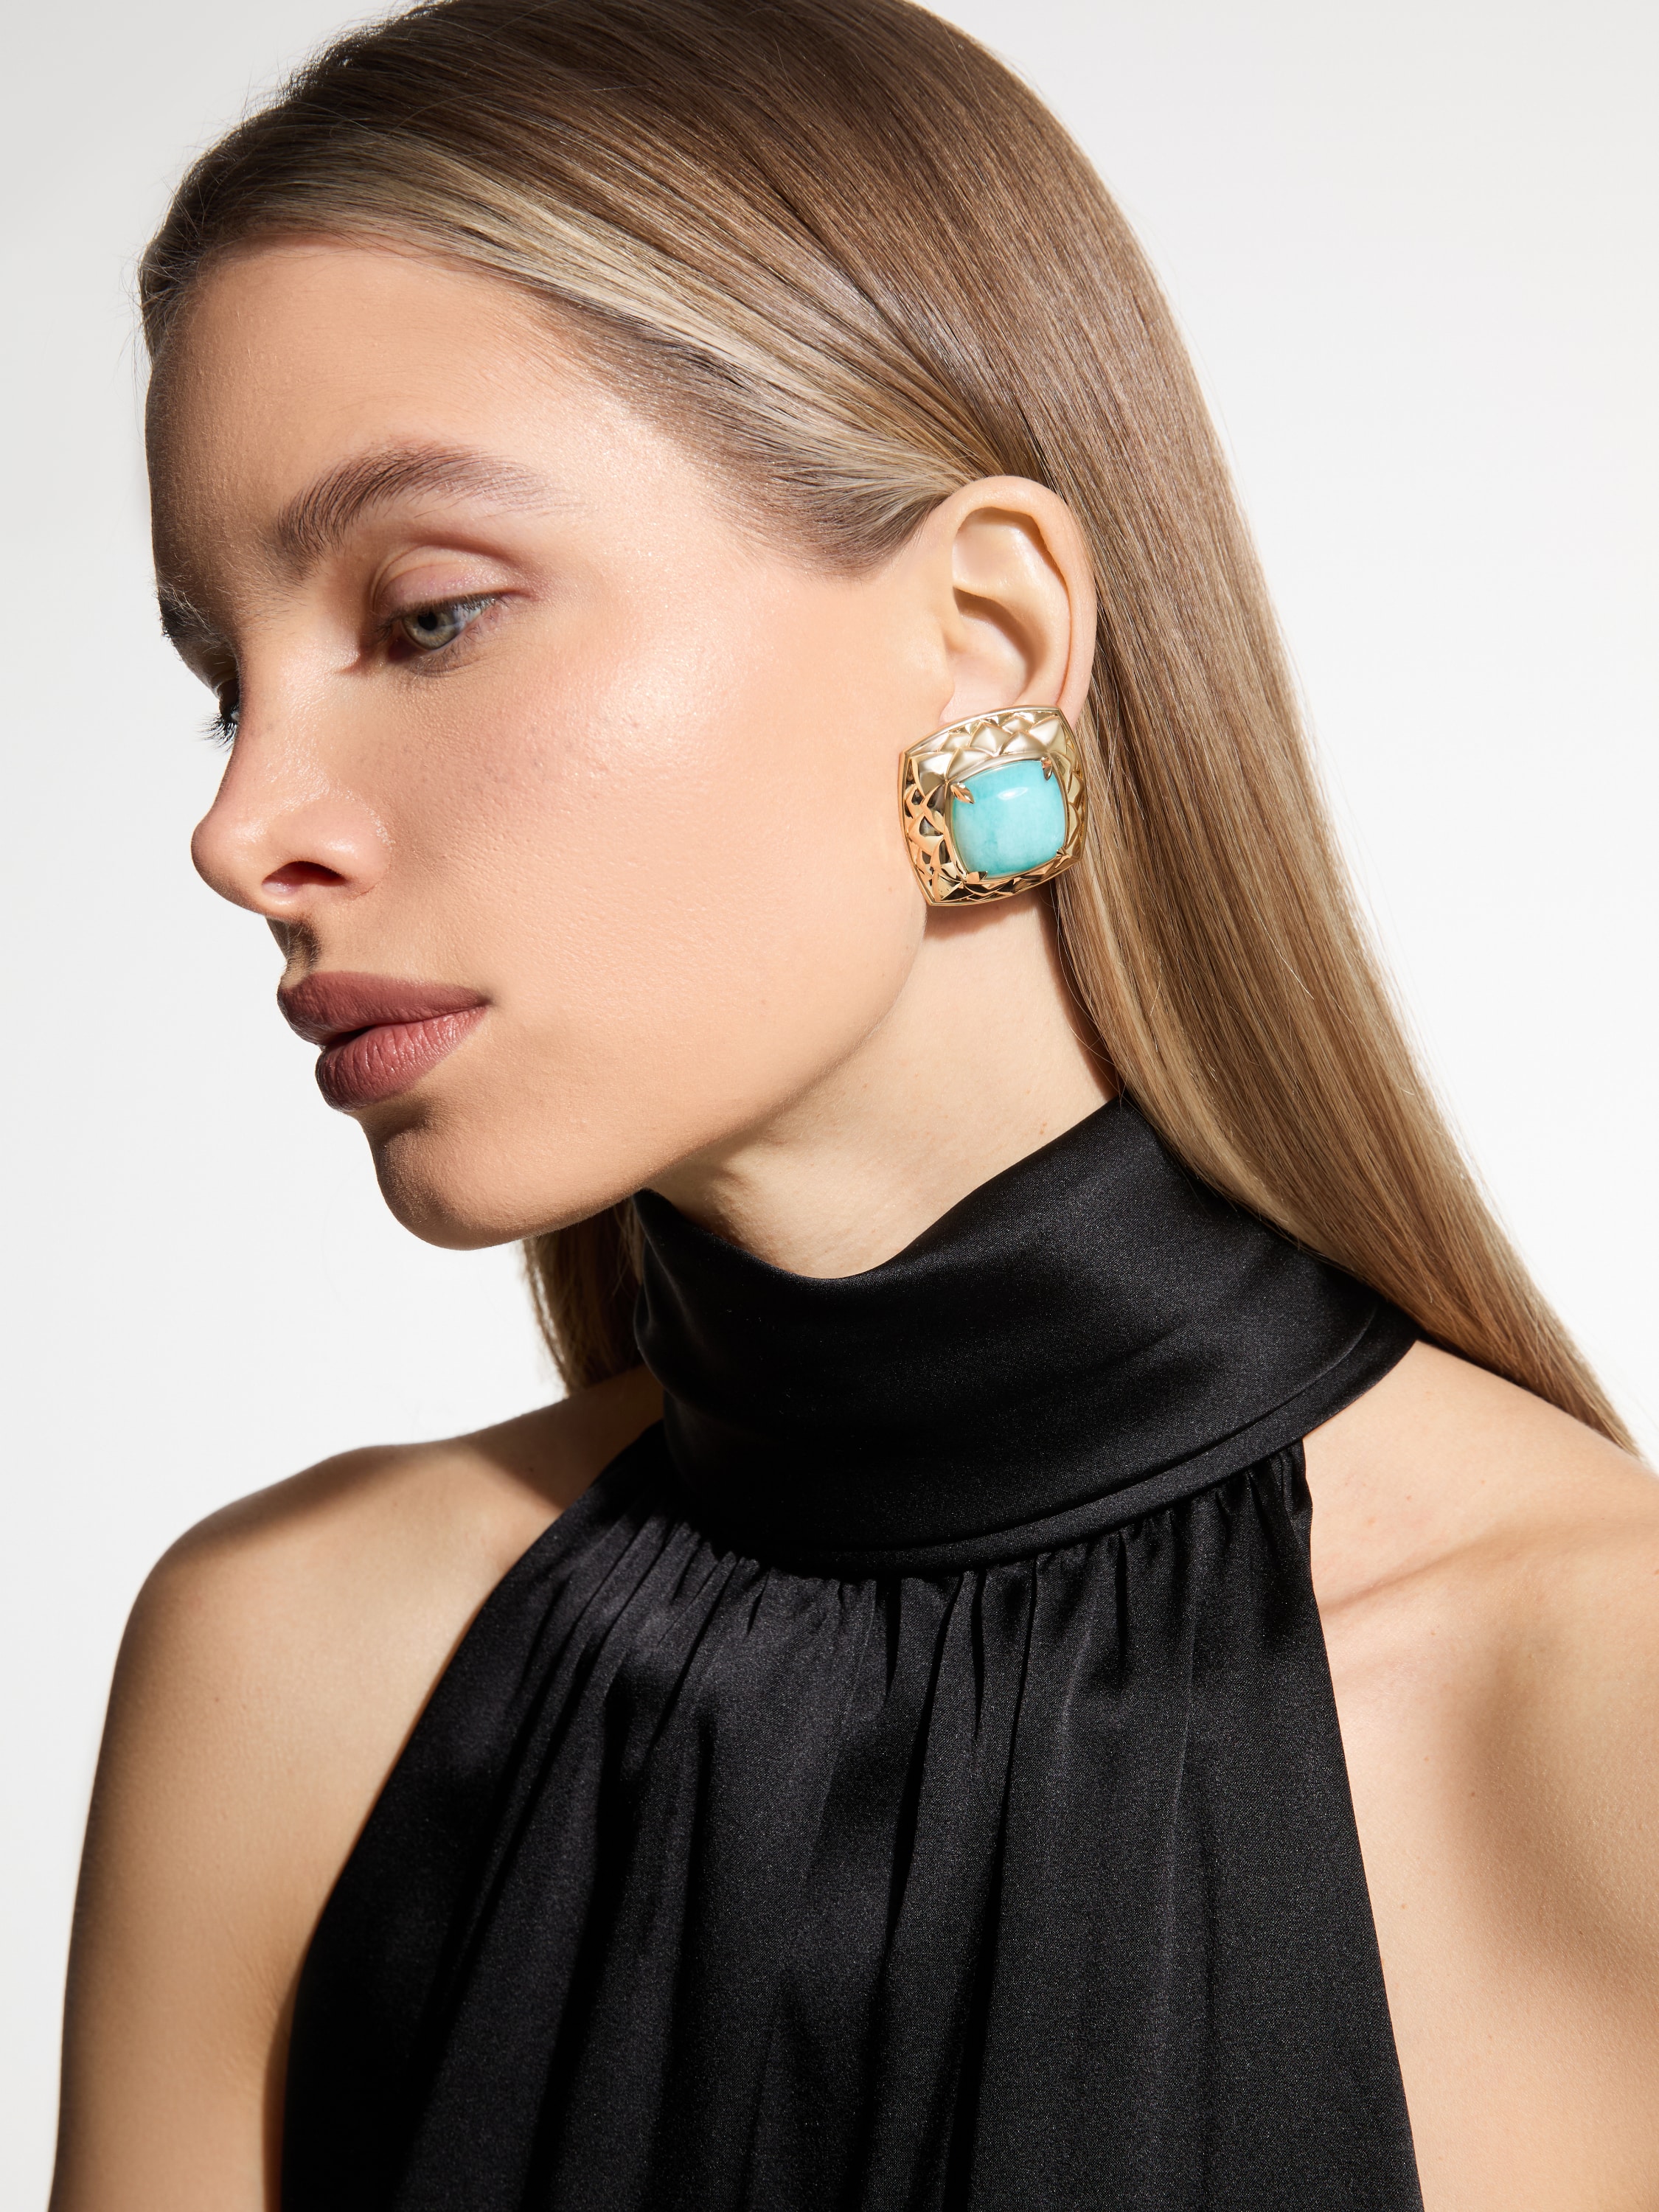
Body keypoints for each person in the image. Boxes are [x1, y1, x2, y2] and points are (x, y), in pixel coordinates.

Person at [49, 1, 1659, 2206]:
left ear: (984, 637)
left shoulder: (1598, 1709)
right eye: (220, 682)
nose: (243, 829)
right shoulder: (287, 1674)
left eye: (425, 618)